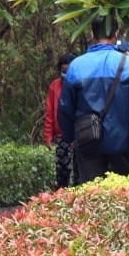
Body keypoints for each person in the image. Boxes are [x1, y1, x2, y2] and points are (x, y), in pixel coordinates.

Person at [57, 14, 129, 183]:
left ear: (92, 35)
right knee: (123, 198)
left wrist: (70, 137)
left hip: (88, 143)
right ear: (116, 34)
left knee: (92, 198)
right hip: (122, 145)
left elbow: (65, 107)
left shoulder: (76, 66)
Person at [44, 53, 77, 189]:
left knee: (79, 172)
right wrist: (48, 136)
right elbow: (50, 111)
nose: (66, 74)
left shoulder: (78, 85)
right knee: (62, 173)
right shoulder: (54, 86)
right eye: (63, 71)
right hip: (61, 136)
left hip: (78, 135)